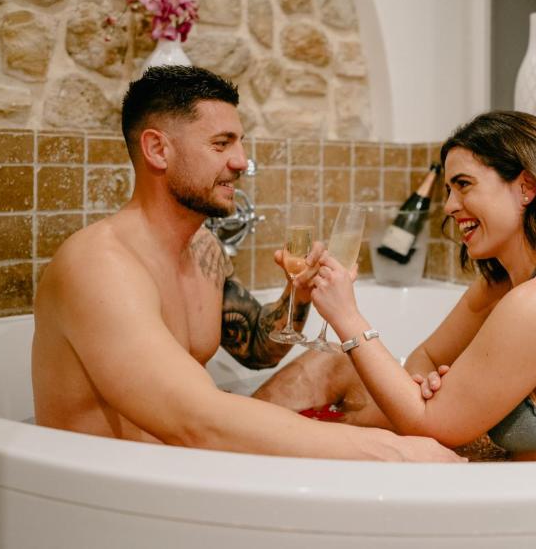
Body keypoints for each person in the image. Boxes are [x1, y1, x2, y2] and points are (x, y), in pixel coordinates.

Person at [32, 65, 461, 462]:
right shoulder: (100, 266)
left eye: (239, 142)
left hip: (190, 459)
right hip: (127, 484)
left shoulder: (202, 248)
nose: (240, 161)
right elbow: (193, 420)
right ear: (158, 149)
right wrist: (393, 452)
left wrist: (298, 295)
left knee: (340, 363)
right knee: (392, 449)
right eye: (221, 144)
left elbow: (257, 350)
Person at [256, 111, 536, 460]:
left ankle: (254, 444)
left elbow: (427, 423)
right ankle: (245, 439)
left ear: (526, 187)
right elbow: (426, 356)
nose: (448, 205)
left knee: (355, 430)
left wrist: (346, 316)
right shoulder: (502, 284)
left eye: (464, 185)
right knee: (332, 367)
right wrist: (426, 386)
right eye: (449, 189)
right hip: (527, 485)